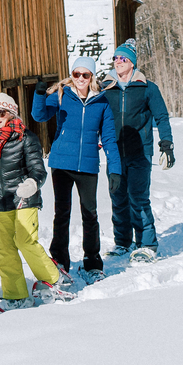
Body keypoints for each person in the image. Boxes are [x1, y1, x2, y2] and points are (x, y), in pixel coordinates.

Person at [0, 92, 72, 307]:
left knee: (25, 241)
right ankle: (16, 295)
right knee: (4, 249)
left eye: (0, 112)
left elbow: (38, 170)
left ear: (11, 113)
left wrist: (33, 183)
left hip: (24, 198)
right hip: (0, 200)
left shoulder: (27, 137)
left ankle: (54, 278)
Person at [32, 56, 121, 274]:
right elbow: (39, 115)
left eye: (85, 74)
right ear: (72, 75)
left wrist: (115, 169)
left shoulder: (101, 101)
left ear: (91, 77)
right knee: (62, 212)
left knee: (90, 214)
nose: (80, 78)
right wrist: (40, 94)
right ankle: (60, 260)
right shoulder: (62, 95)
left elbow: (109, 137)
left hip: (89, 166)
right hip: (61, 163)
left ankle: (92, 261)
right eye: (76, 74)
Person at [107, 41, 175, 254]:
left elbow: (162, 117)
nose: (118, 62)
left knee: (138, 198)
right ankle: (123, 243)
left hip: (141, 152)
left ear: (132, 63)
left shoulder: (147, 88)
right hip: (115, 154)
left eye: (123, 58)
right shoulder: (106, 87)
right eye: (116, 58)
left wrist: (166, 144)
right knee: (118, 199)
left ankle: (146, 244)